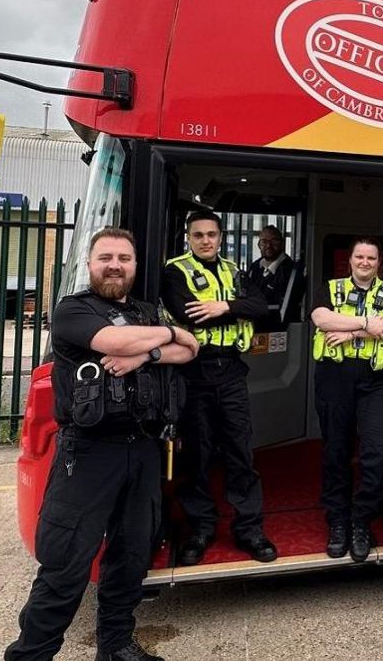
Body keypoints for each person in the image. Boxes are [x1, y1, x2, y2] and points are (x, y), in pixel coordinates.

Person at [5, 227, 198, 661]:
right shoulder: (73, 310)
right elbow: (117, 341)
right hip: (88, 453)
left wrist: (144, 354)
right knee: (66, 563)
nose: (115, 265)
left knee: (132, 556)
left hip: (143, 449)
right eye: (106, 257)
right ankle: (30, 654)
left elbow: (192, 349)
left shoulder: (147, 311)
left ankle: (115, 647)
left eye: (124, 259)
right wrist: (166, 336)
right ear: (90, 264)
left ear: (134, 266)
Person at [162, 210, 277, 565]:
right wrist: (234, 310)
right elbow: (187, 312)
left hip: (230, 372)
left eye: (211, 234)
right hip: (193, 373)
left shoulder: (233, 271)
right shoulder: (174, 271)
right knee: (196, 454)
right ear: (188, 238)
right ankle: (200, 527)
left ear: (221, 236)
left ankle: (249, 528)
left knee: (240, 451)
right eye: (198, 235)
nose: (206, 241)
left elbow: (261, 306)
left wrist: (223, 306)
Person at [308, 238, 383, 562]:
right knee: (336, 453)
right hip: (335, 380)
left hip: (378, 382)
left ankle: (360, 518)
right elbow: (322, 319)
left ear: (379, 263)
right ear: (349, 261)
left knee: (378, 454)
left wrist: (351, 332)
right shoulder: (331, 288)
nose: (365, 262)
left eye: (371, 258)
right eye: (359, 257)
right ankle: (338, 521)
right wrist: (368, 323)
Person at [245, 225, 303, 329]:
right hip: (254, 326)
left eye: (274, 241)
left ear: (282, 243)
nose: (268, 245)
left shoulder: (291, 271)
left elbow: (287, 307)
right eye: (264, 242)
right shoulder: (255, 267)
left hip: (280, 328)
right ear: (259, 245)